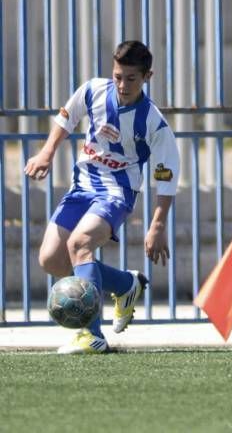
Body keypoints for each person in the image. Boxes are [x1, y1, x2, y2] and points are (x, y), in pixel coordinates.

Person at [25, 40, 179, 354]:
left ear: (148, 76)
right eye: (118, 76)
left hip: (117, 193)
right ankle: (125, 285)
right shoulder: (93, 90)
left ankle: (91, 335)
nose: (122, 84)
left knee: (79, 244)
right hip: (81, 187)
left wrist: (157, 225)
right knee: (51, 259)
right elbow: (66, 118)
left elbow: (166, 176)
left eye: (131, 78)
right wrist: (46, 153)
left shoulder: (153, 121)